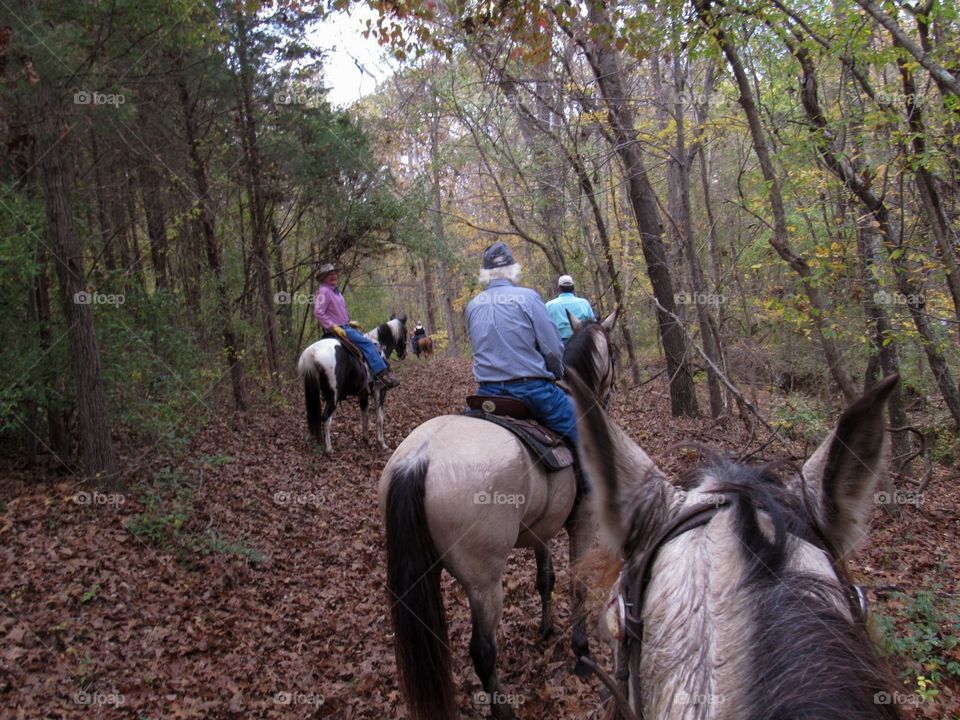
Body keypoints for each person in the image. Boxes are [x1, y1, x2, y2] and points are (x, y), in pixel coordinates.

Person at [465, 242, 578, 445]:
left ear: (486, 273)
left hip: (487, 394)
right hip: (532, 391)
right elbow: (552, 351)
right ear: (513, 269)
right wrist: (558, 372)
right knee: (586, 430)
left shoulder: (473, 305)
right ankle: (590, 477)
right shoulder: (529, 298)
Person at [313, 263, 400, 388]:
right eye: (329, 275)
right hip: (338, 330)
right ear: (323, 278)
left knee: (371, 342)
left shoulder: (335, 292)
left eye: (334, 273)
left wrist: (349, 321)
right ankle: (381, 375)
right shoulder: (324, 290)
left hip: (345, 326)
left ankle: (370, 373)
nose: (333, 276)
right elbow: (318, 312)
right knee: (368, 344)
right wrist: (333, 327)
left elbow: (336, 312)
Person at [545, 274, 596, 344]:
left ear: (559, 288)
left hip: (559, 344)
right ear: (573, 288)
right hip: (582, 343)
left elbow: (544, 328)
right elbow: (593, 324)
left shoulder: (549, 305)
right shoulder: (584, 303)